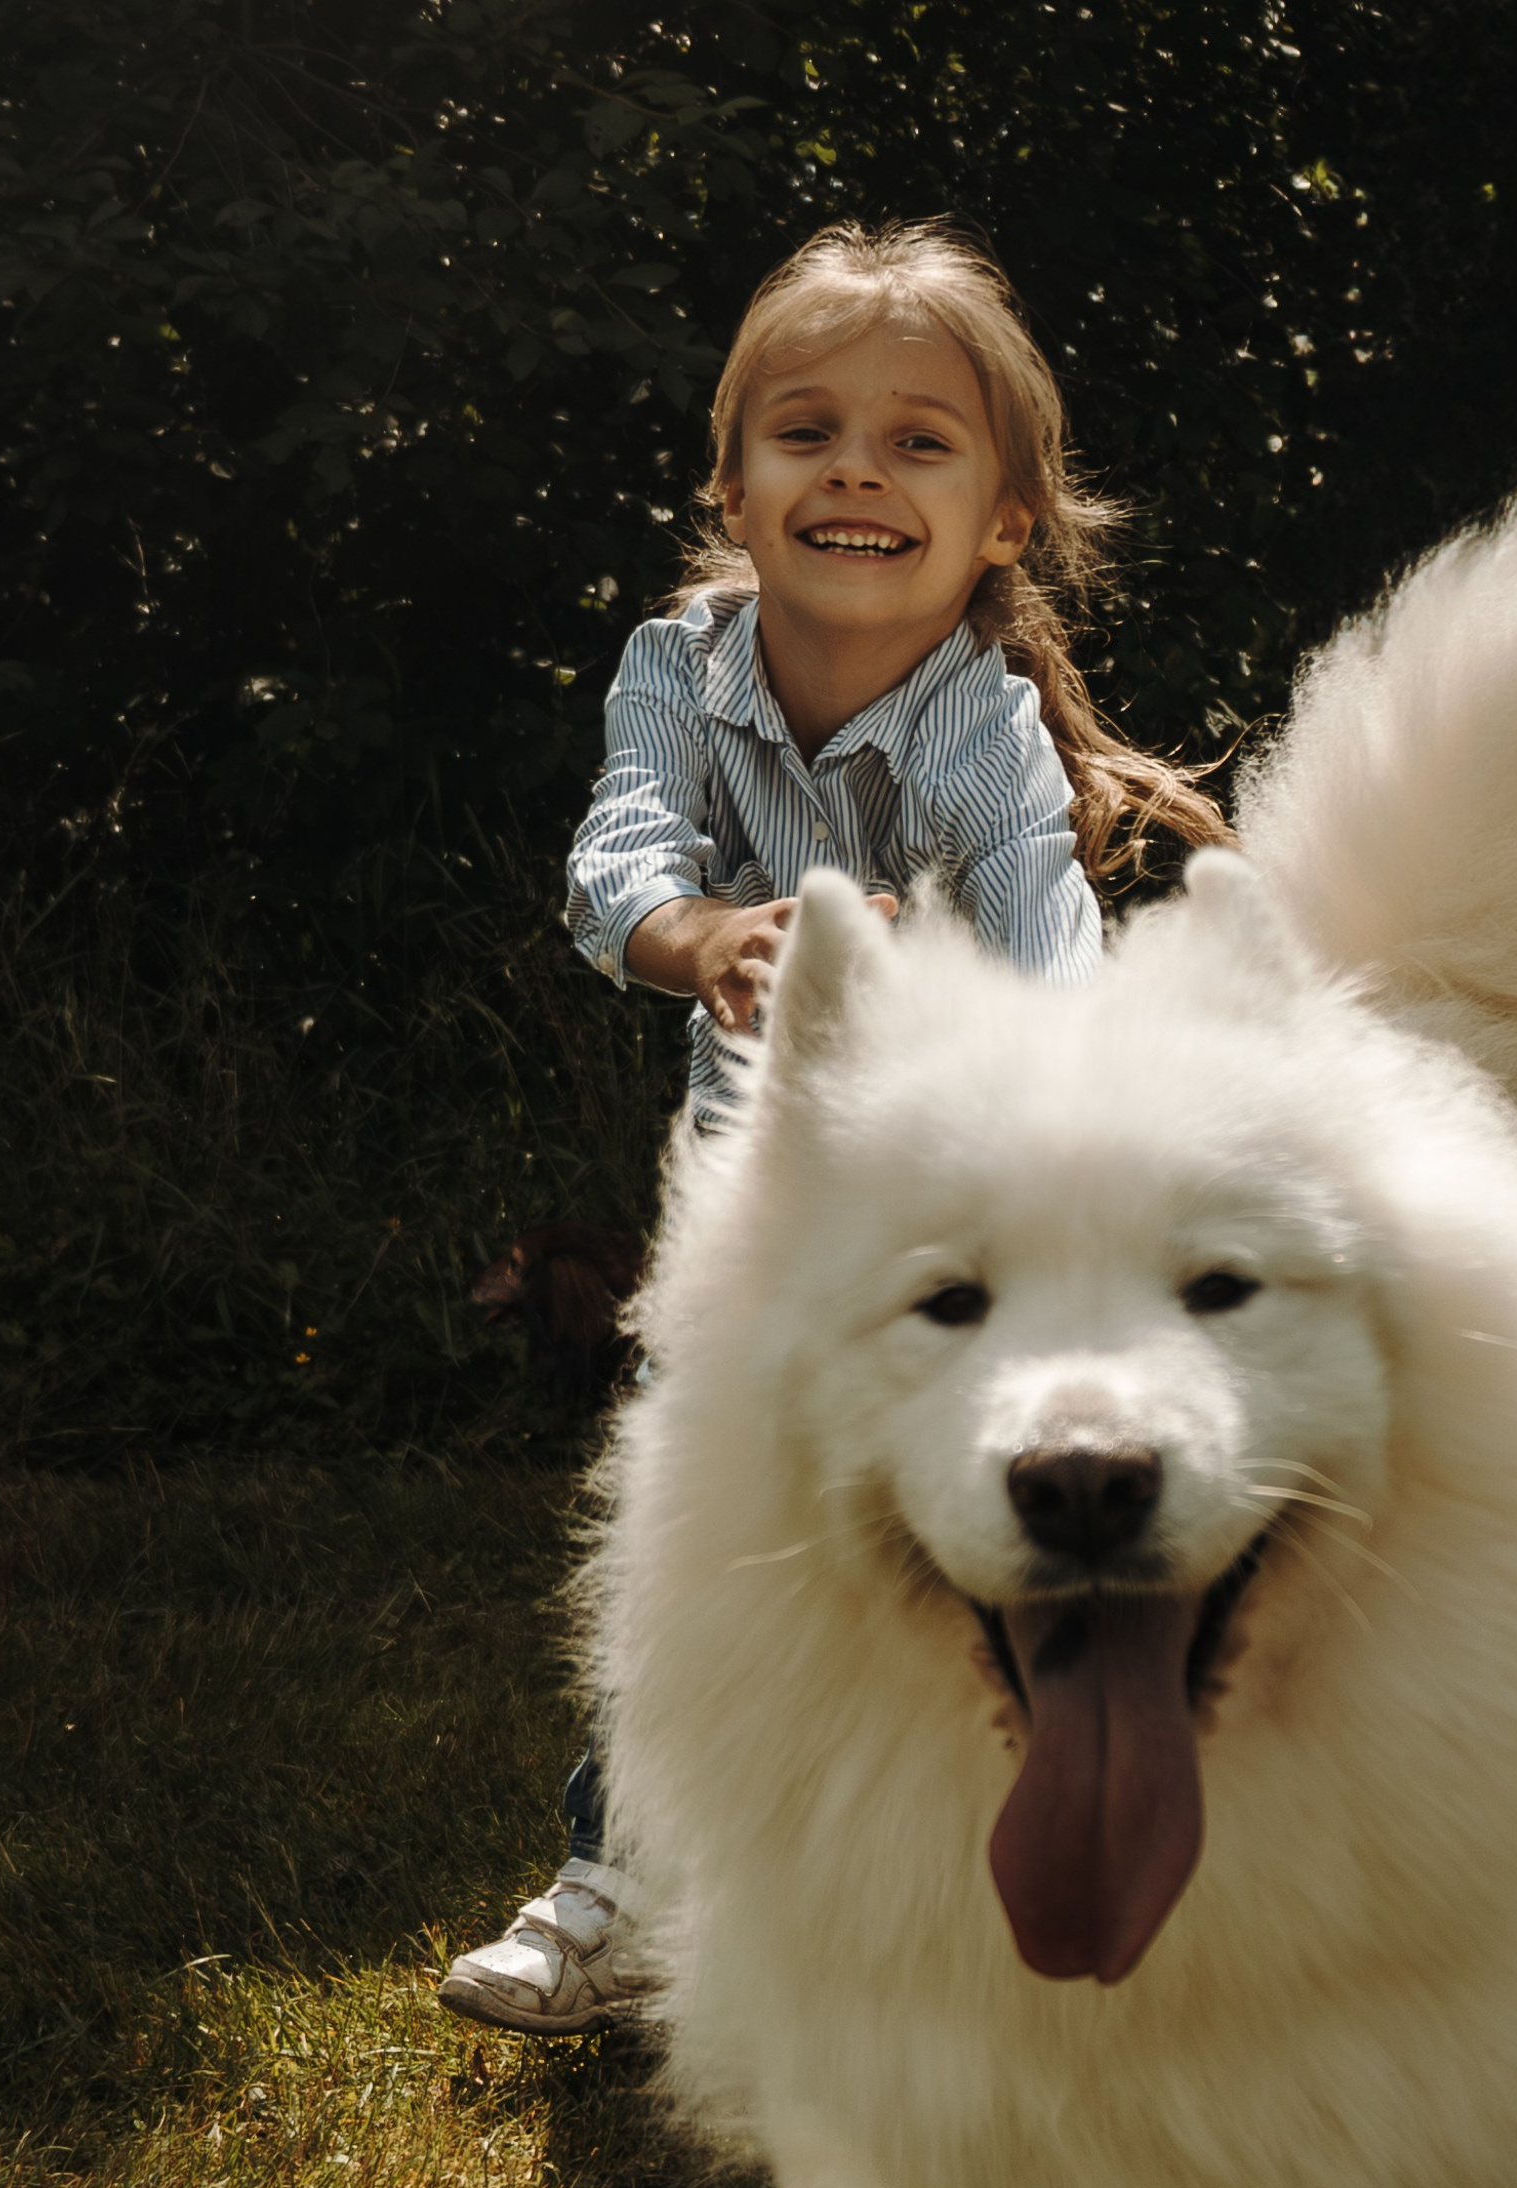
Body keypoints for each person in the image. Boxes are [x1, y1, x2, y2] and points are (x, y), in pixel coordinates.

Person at [439, 219, 1229, 2037]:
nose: (857, 470)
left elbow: (1057, 969)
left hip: (962, 1237)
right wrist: (704, 934)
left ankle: (992, 1889)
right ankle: (618, 1889)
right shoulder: (679, 668)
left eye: (917, 442)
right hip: (756, 1230)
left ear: (1004, 522)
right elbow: (616, 861)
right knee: (696, 1534)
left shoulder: (982, 735)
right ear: (733, 486)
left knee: (958, 1571)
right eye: (807, 433)